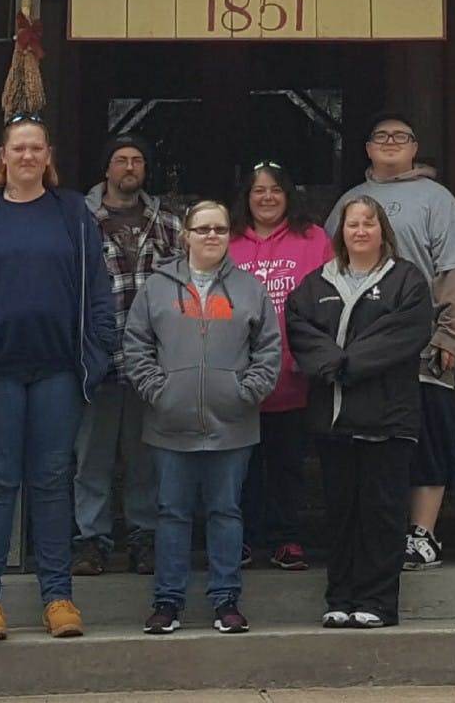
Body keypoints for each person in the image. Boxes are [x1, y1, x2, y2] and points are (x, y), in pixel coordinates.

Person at [0, 112, 114, 642]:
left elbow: (98, 292)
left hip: (59, 372)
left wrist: (97, 352)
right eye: (19, 149)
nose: (28, 157)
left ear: (48, 157)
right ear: (4, 157)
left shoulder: (73, 213)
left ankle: (58, 598)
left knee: (52, 482)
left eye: (37, 148)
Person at [324, 112, 455, 570]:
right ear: (367, 148)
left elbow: (454, 270)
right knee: (371, 440)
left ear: (414, 148)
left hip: (424, 343)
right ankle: (380, 531)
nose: (390, 142)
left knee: (427, 436)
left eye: (401, 136)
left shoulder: (437, 199)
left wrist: (451, 335)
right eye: (381, 136)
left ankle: (423, 533)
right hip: (363, 349)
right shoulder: (350, 200)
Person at [123, 200, 282, 635]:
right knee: (171, 513)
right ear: (186, 235)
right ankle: (167, 603)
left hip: (233, 425)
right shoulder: (157, 287)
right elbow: (136, 346)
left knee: (226, 512)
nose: (212, 236)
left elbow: (270, 350)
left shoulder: (250, 289)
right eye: (203, 229)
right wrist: (160, 392)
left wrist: (244, 394)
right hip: (169, 425)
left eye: (220, 229)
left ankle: (226, 601)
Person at [287, 196, 432, 628]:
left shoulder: (407, 281)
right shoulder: (316, 285)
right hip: (336, 422)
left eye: (369, 222)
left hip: (388, 421)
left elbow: (403, 334)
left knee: (382, 515)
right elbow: (301, 329)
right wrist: (332, 362)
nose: (361, 230)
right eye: (353, 223)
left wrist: (345, 363)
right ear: (342, 233)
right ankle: (341, 597)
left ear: (382, 231)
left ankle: (378, 602)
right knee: (342, 514)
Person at [73, 133, 184, 576]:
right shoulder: (78, 220)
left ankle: (144, 536)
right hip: (94, 357)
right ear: (107, 169)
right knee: (91, 457)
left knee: (146, 457)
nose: (130, 167)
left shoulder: (170, 225)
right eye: (121, 159)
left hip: (151, 362)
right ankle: (90, 539)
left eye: (137, 160)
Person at [228, 160, 332, 571]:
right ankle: (245, 538)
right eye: (258, 191)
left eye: (275, 190)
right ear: (246, 199)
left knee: (288, 463)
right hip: (240, 376)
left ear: (289, 196)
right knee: (243, 465)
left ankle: (287, 537)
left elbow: (327, 299)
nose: (267, 197)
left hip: (294, 373)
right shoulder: (230, 241)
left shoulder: (314, 238)